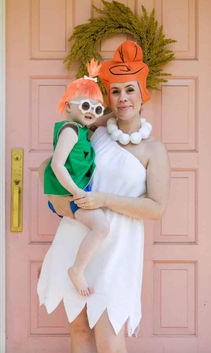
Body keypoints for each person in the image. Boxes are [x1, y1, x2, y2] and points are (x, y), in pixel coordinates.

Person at [37, 40, 170, 353]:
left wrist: (104, 200)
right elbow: (52, 168)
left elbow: (156, 208)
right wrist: (62, 204)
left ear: (142, 94)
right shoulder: (93, 133)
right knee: (79, 329)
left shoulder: (154, 150)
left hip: (119, 248)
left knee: (110, 337)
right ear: (108, 96)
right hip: (78, 237)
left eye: (130, 90)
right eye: (116, 91)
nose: (123, 98)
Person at [44, 59, 109, 296]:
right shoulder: (70, 131)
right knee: (101, 227)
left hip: (70, 191)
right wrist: (76, 192)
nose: (91, 112)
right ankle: (77, 270)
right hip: (66, 192)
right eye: (85, 105)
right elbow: (57, 164)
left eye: (97, 108)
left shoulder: (82, 131)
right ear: (68, 106)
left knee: (97, 226)